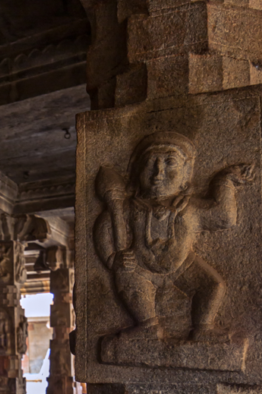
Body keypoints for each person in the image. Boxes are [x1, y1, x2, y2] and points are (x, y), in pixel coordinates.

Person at [94, 131, 253, 342]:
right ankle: (148, 326)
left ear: (186, 176)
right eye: (150, 163)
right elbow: (104, 228)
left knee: (214, 286)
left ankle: (203, 327)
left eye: (170, 163)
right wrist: (113, 259)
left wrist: (224, 182)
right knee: (126, 277)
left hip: (183, 265)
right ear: (136, 174)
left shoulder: (190, 207)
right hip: (140, 268)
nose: (158, 172)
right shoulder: (128, 208)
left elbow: (225, 217)